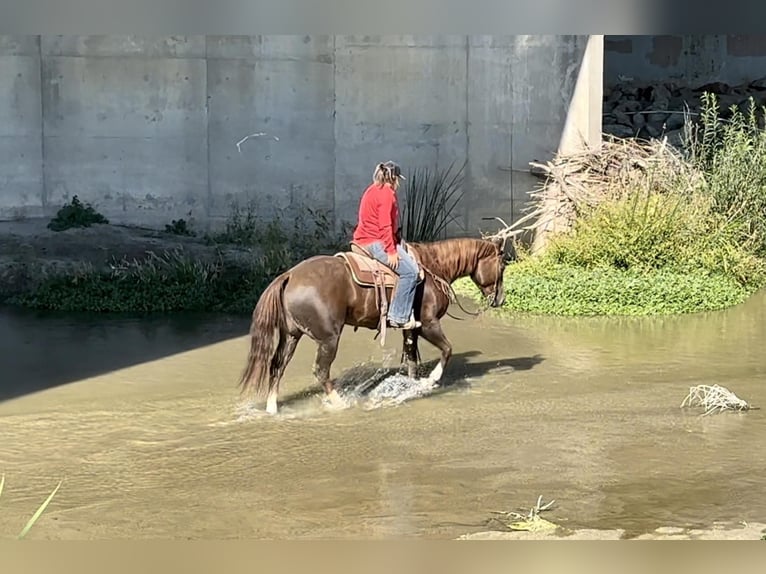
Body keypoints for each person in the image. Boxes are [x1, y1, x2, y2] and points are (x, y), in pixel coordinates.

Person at [352, 161, 422, 330]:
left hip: (361, 240)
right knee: (411, 272)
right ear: (393, 178)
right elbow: (384, 225)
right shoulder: (387, 194)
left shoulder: (371, 190)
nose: (398, 183)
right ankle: (398, 316)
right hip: (376, 242)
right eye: (397, 179)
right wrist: (391, 251)